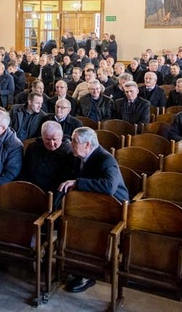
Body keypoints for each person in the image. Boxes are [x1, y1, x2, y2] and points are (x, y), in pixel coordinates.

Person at [58, 126, 129, 294]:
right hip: (90, 203)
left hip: (111, 207)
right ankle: (74, 266)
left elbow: (108, 187)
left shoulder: (105, 159)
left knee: (88, 230)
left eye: (75, 141)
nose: (71, 144)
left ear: (87, 145)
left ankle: (87, 273)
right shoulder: (79, 156)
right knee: (69, 222)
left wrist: (77, 183)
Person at [20, 121, 74, 194]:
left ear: (61, 137)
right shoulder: (33, 148)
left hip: (55, 192)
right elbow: (25, 170)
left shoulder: (69, 153)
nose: (51, 144)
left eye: (55, 139)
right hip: (30, 189)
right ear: (42, 137)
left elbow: (65, 180)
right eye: (47, 139)